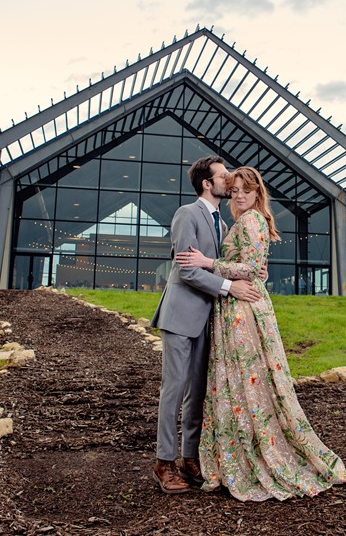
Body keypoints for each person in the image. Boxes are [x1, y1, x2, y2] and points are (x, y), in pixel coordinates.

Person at [175, 166, 346, 501]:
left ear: (257, 194)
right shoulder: (239, 223)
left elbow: (253, 269)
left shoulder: (251, 220)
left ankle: (254, 453)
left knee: (247, 376)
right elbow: (256, 267)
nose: (239, 195)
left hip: (243, 310)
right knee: (238, 378)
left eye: (247, 190)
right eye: (235, 190)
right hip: (233, 306)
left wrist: (207, 261)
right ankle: (236, 451)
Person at [150, 156, 262, 494]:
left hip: (208, 320)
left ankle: (189, 457)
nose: (228, 181)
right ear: (206, 183)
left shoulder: (222, 224)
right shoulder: (188, 214)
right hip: (181, 316)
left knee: (198, 392)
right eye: (223, 175)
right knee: (175, 390)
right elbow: (186, 269)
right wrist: (230, 286)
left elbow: (223, 264)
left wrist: (251, 270)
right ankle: (164, 463)